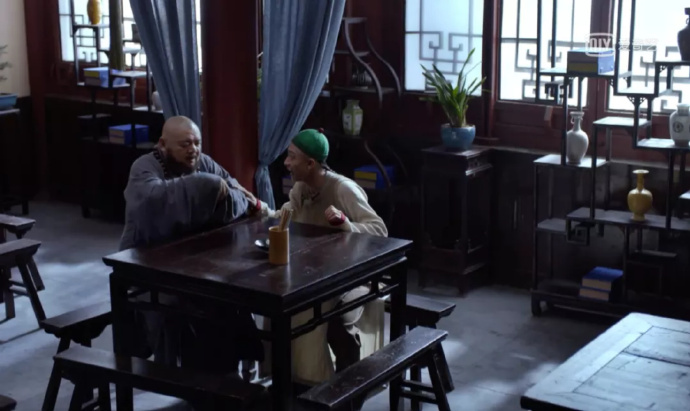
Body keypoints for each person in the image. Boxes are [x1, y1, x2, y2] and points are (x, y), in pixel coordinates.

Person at [119, 115, 263, 375]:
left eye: (197, 143)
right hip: (150, 267)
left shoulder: (203, 162)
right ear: (163, 145)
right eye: (185, 144)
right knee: (202, 307)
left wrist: (217, 194)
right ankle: (204, 383)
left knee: (233, 294)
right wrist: (210, 188)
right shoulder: (144, 167)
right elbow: (153, 203)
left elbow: (238, 195)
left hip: (196, 261)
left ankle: (231, 376)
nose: (193, 150)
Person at [257, 128, 387, 384]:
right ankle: (289, 383)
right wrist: (260, 209)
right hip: (314, 276)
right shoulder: (300, 188)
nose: (286, 163)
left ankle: (341, 387)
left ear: (311, 164)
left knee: (328, 321)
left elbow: (379, 230)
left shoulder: (342, 189)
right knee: (279, 308)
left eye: (292, 157)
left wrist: (346, 224)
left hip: (351, 276)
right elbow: (285, 217)